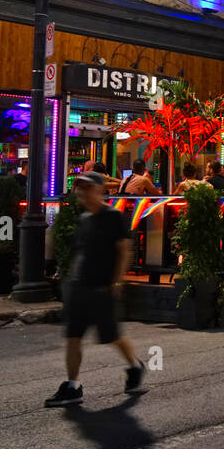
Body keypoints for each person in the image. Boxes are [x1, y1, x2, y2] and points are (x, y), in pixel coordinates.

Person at [46, 173, 147, 407]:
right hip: (80, 286)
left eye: (88, 187)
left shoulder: (114, 217)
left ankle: (134, 365)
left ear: (100, 190)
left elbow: (124, 250)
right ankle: (73, 386)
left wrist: (117, 281)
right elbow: (81, 252)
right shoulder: (84, 219)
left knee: (112, 335)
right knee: (73, 336)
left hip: (102, 287)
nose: (83, 192)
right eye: (80, 188)